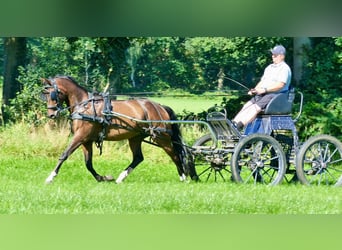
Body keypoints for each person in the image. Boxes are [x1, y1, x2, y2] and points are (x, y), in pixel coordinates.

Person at [232, 45, 292, 130]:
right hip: (265, 93)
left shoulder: (284, 68)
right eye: (272, 54)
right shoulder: (269, 67)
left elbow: (280, 85)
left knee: (255, 107)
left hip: (276, 96)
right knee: (247, 105)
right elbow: (262, 81)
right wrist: (255, 90)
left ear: (281, 56)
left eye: (275, 55)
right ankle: (233, 123)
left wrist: (264, 89)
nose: (272, 56)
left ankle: (238, 126)